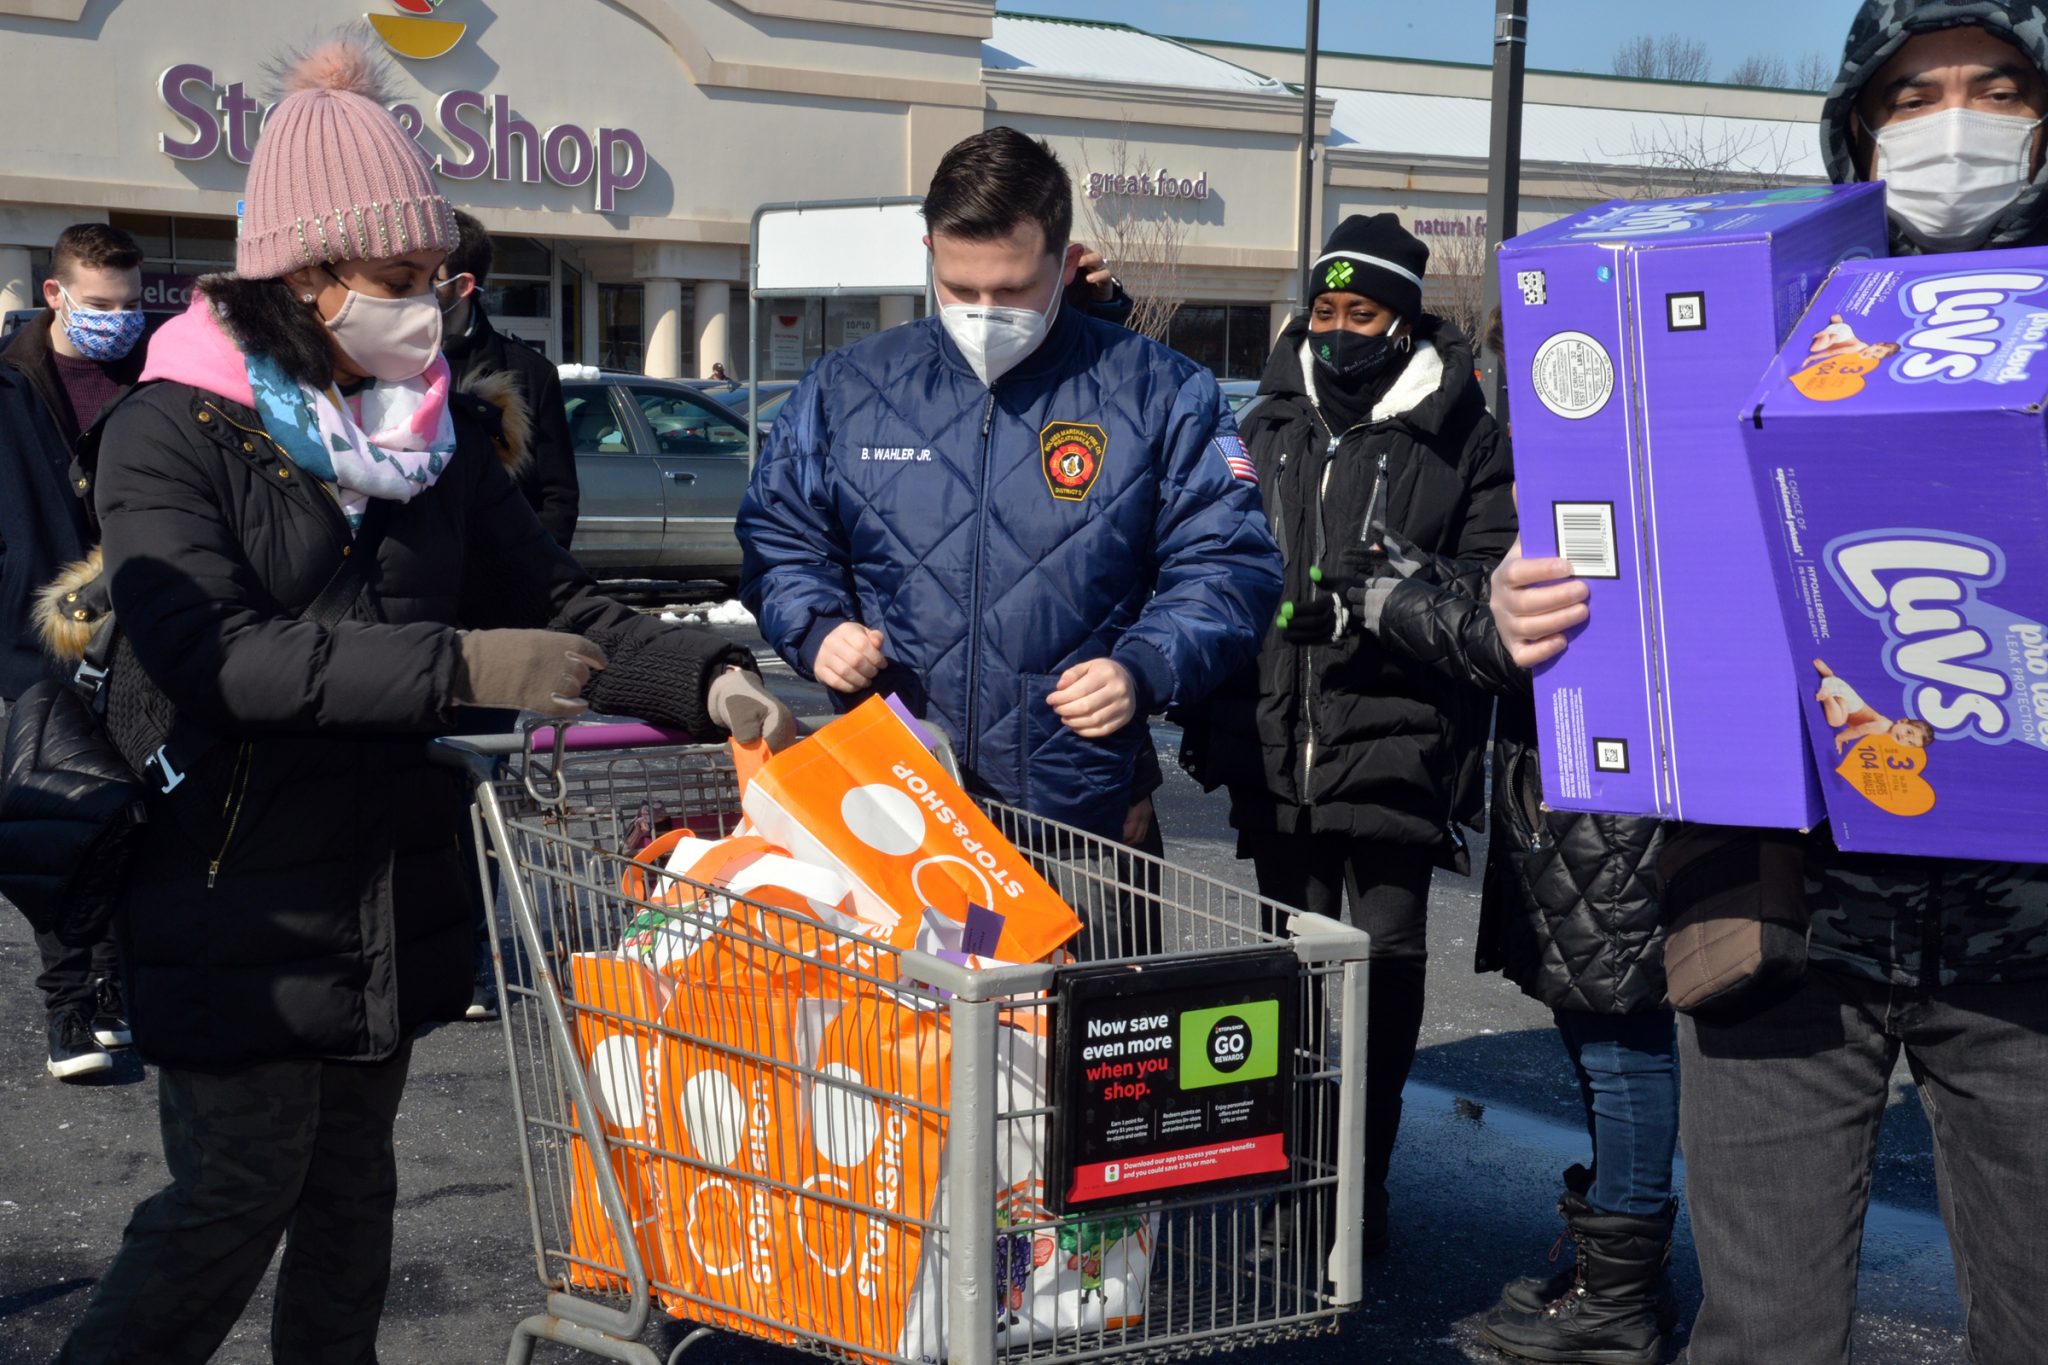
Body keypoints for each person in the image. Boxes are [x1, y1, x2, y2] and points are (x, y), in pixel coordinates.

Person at [47, 37, 792, 1364]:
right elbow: (222, 656)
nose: (432, 306)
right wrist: (458, 668)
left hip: (393, 883)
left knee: (351, 1208)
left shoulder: (426, 434)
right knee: (230, 1199)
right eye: (402, 279)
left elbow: (556, 603)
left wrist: (716, 681)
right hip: (237, 890)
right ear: (307, 273)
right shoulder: (170, 430)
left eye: (437, 276)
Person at [1491, 6, 2048, 1361]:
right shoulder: (1765, 296)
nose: (1956, 125)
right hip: (1777, 917)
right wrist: (1536, 593)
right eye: (1913, 99)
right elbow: (1618, 495)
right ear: (1858, 125)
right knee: (1765, 1331)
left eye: (1998, 89)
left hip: (2027, 944)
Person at [738, 127, 1280, 923]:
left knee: (1071, 1043)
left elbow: (1229, 568)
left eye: (1014, 289)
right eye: (960, 288)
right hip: (893, 812)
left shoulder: (1160, 392)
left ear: (1065, 263)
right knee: (903, 1046)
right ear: (930, 252)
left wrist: (1141, 669)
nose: (985, 313)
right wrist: (817, 625)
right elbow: (782, 536)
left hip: (1081, 822)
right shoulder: (848, 386)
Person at [1176, 213, 1515, 1255]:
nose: (1333, 331)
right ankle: (1292, 1179)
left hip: (1401, 746)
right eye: (1319, 312)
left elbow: (1488, 587)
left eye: (1357, 312)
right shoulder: (1265, 424)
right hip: (1272, 744)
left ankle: (1354, 1188)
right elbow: (1206, 558)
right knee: (1289, 979)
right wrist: (1207, 702)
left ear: (1403, 320)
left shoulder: (1466, 433)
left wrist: (1380, 596)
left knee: (1384, 973)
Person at [1327, 537, 1680, 1360]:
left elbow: (1541, 629)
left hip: (1612, 794)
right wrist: (1437, 573)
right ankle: (1617, 1278)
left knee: (1621, 1040)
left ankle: (1619, 1302)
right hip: (1583, 791)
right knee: (1599, 1033)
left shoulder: (1630, 474)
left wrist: (1399, 602)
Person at [1, 221, 151, 1081]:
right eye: (101, 305)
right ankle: (69, 1007)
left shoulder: (156, 378)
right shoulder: (10, 383)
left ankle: (116, 989)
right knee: (59, 820)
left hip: (142, 637)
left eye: (131, 304)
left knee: (134, 822)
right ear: (54, 293)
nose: (119, 321)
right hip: (32, 640)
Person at [435, 209, 579, 549]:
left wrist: (534, 574)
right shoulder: (386, 364)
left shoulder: (530, 374)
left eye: (429, 275)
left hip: (496, 581)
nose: (415, 287)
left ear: (462, 285)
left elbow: (557, 495)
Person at [1813, 658, 1934, 754]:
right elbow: (1859, 730)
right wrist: (1841, 737)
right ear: (1902, 721)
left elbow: (1858, 724)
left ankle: (1829, 675)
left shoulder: (1885, 728)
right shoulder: (1883, 726)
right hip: (1844, 699)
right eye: (1908, 732)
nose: (1904, 737)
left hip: (1844, 693)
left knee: (1844, 715)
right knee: (1837, 721)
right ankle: (1827, 696)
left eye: (1910, 743)